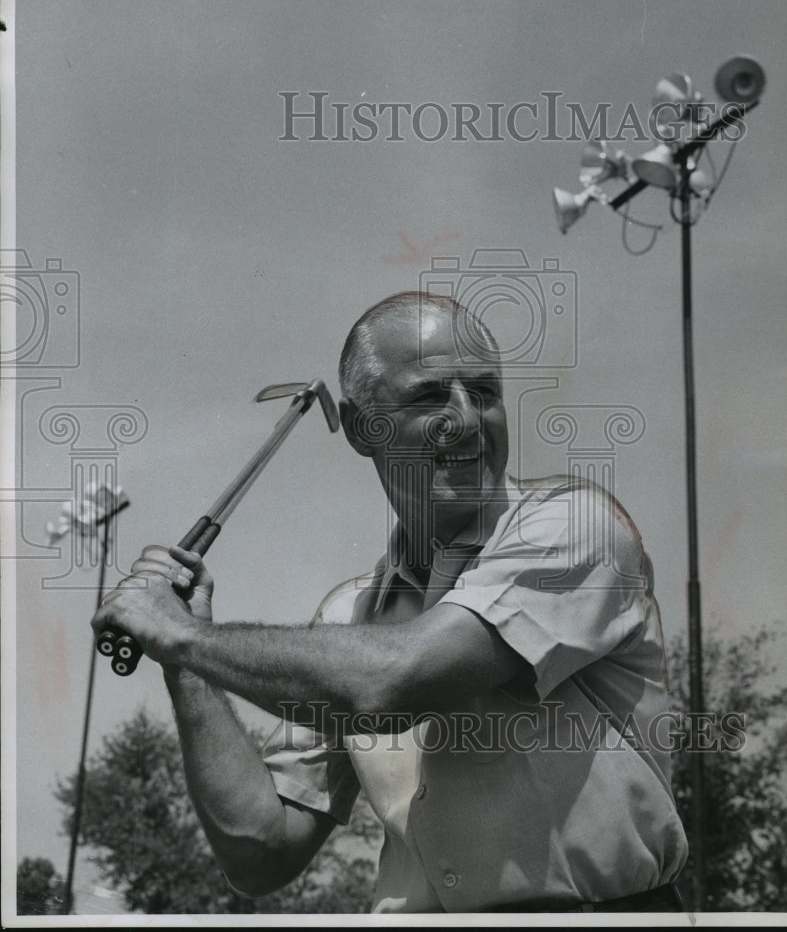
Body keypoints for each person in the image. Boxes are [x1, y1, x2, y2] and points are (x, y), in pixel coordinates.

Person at [91, 291, 688, 913]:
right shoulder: (348, 620)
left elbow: (391, 682)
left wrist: (183, 636)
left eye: (484, 393)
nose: (466, 417)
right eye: (430, 396)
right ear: (360, 428)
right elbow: (260, 852)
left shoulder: (575, 528)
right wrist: (186, 663)